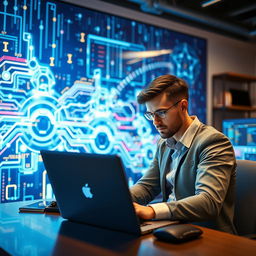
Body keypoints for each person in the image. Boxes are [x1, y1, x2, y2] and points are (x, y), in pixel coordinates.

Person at [130, 74, 237, 234]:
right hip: (171, 231)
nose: (155, 122)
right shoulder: (164, 143)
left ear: (183, 106)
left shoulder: (213, 142)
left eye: (161, 112)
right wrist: (118, 200)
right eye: (151, 115)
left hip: (208, 238)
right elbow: (147, 186)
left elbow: (208, 202)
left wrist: (152, 211)